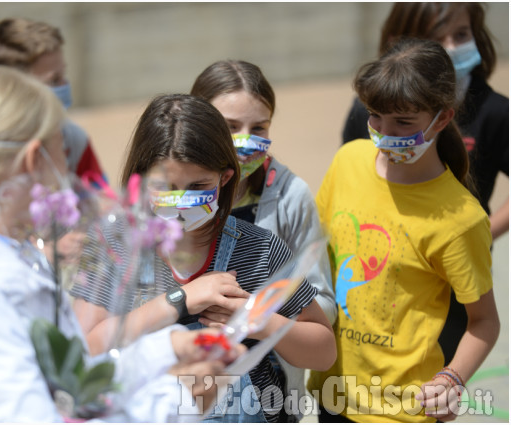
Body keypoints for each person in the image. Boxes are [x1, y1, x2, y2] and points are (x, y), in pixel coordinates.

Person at [0, 66, 244, 422]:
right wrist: (173, 402)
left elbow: (64, 381)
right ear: (36, 160)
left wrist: (162, 350)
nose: (69, 174)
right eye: (63, 153)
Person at [71, 94, 336, 422]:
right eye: (167, 187)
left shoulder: (261, 250)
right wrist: (180, 300)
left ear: (225, 177)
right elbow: (84, 349)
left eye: (198, 186)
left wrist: (257, 319)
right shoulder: (115, 246)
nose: (182, 202)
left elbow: (324, 351)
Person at [308, 38, 500, 423]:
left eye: (403, 122)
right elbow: (314, 259)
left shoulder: (461, 219)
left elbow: (484, 322)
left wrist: (451, 377)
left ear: (443, 118)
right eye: (375, 115)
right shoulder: (348, 160)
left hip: (402, 412)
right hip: (332, 395)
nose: (383, 132)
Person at [189, 59, 337, 419]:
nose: (245, 140)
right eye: (230, 126)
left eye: (259, 127)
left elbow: (323, 306)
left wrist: (252, 313)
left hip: (268, 398)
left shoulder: (290, 196)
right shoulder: (177, 198)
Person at [341, 3, 508, 241]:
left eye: (461, 34)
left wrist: (480, 235)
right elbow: (351, 179)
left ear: (443, 119)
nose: (451, 47)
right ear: (398, 46)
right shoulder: (365, 110)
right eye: (436, 38)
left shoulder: (497, 111)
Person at [0, 17, 107, 183]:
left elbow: (99, 200)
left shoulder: (73, 141)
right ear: (7, 91)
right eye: (53, 80)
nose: (64, 86)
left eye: (63, 75)